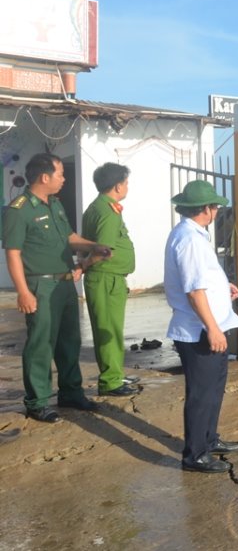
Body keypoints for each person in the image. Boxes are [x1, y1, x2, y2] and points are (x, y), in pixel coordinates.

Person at [2, 153, 112, 423]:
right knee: (41, 343)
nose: (64, 179)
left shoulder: (54, 205)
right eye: (61, 174)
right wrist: (23, 292)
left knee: (69, 342)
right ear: (44, 177)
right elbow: (13, 253)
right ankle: (37, 401)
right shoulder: (19, 209)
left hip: (65, 283)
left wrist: (93, 247)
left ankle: (71, 392)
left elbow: (70, 238)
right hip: (40, 284)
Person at [164, 180, 238, 473]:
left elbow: (203, 280)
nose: (217, 212)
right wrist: (212, 328)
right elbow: (194, 290)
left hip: (208, 326)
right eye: (215, 207)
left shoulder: (194, 235)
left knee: (213, 389)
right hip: (199, 331)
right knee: (201, 393)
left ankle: (209, 439)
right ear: (205, 210)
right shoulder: (190, 239)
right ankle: (195, 454)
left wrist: (224, 287)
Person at [81, 163, 139, 397]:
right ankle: (110, 381)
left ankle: (114, 373)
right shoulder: (107, 211)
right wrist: (84, 265)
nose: (127, 186)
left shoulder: (98, 208)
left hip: (109, 278)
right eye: (126, 182)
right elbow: (103, 250)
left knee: (112, 329)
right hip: (106, 278)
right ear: (117, 185)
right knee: (108, 330)